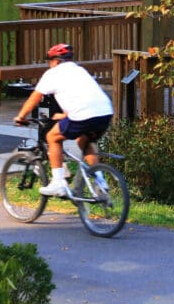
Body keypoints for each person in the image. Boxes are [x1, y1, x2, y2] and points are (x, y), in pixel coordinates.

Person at [14, 43, 114, 196]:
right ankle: (100, 180)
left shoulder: (52, 74)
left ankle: (58, 183)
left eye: (49, 60)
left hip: (83, 115)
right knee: (84, 140)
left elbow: (34, 98)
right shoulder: (80, 71)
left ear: (55, 60)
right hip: (104, 112)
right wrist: (65, 115)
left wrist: (21, 116)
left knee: (52, 137)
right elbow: (80, 97)